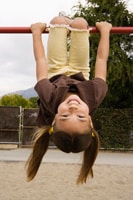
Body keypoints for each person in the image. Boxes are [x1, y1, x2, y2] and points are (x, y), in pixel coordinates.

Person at [26, 16, 112, 184]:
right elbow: (102, 60)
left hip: (55, 70)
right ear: (91, 122)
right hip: (80, 70)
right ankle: (73, 25)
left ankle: (61, 24)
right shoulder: (94, 97)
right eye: (80, 117)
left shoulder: (49, 99)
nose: (73, 109)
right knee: (80, 24)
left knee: (58, 21)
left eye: (65, 116)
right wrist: (105, 32)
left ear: (53, 121)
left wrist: (36, 33)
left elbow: (40, 61)